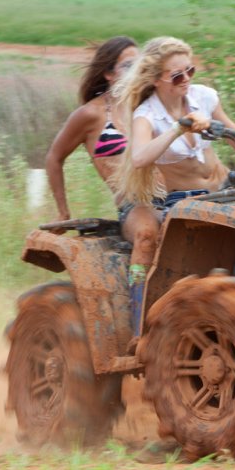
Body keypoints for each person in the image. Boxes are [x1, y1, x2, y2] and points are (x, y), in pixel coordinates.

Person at [45, 36, 161, 349]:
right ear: (108, 73)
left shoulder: (150, 106)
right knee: (147, 233)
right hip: (134, 206)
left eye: (140, 63)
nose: (137, 69)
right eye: (128, 64)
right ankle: (137, 330)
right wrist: (62, 212)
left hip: (176, 195)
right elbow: (54, 157)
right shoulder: (91, 114)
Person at [115, 34, 235, 222]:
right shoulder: (146, 114)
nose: (185, 79)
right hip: (184, 204)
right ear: (155, 79)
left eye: (190, 71)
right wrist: (179, 128)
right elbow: (139, 159)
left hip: (224, 193)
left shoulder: (203, 96)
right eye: (176, 76)